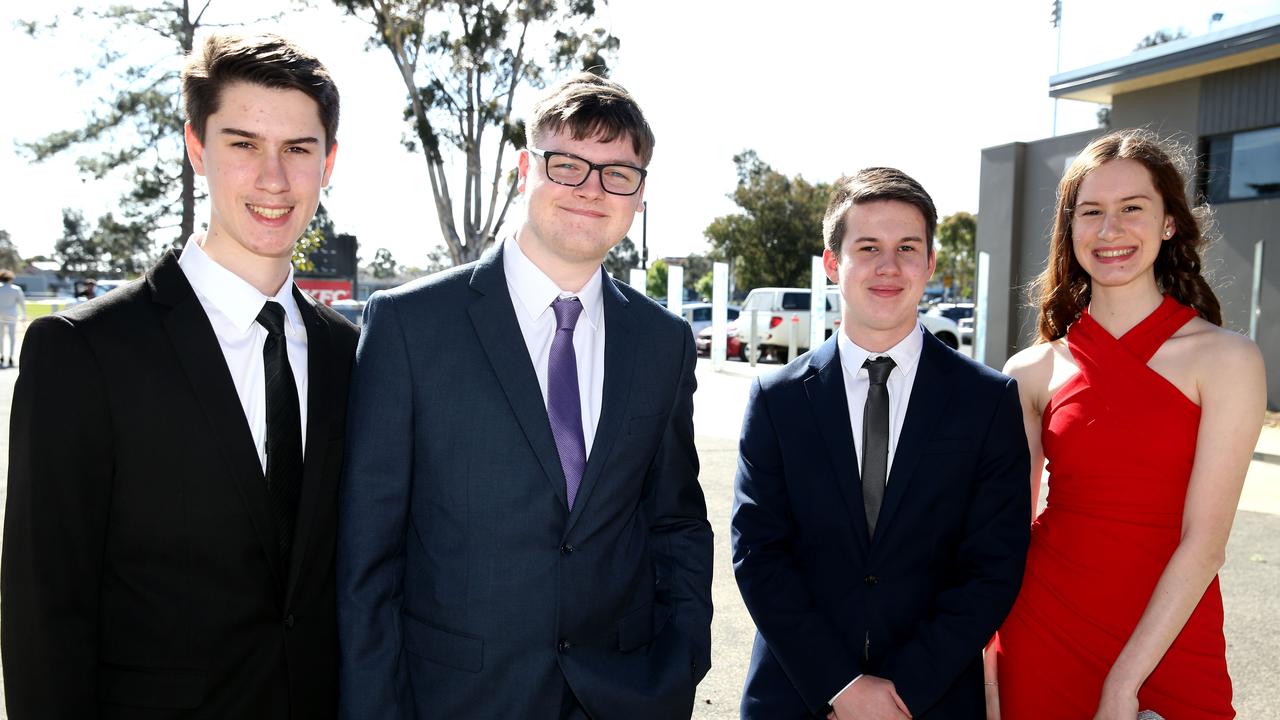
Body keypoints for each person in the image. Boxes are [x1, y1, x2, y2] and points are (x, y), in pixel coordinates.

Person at [1, 33, 358, 719]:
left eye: (298, 149)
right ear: (197, 148)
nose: (273, 179)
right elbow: (45, 617)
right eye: (243, 144)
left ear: (328, 161)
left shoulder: (351, 356)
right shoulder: (83, 354)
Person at [337, 72, 713, 720]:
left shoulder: (663, 342)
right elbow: (367, 557)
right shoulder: (410, 326)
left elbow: (674, 524)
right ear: (524, 169)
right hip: (458, 700)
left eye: (617, 173)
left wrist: (676, 668)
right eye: (568, 165)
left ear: (639, 194)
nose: (591, 190)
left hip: (622, 698)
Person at [732, 167, 1031, 719]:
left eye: (907, 247)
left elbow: (994, 564)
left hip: (930, 700)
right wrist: (842, 687)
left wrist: (903, 692)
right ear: (831, 263)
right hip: (798, 695)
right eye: (867, 246)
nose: (888, 266)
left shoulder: (986, 401)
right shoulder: (776, 401)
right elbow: (759, 555)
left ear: (931, 263)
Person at [993, 130, 1265, 719]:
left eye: (1132, 209)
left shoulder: (1227, 360)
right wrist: (989, 658)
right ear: (1070, 229)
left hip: (1171, 644)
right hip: (1042, 632)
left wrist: (1123, 685)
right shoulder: (1031, 370)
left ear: (1169, 223)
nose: (1110, 230)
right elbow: (1005, 536)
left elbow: (1206, 543)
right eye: (1091, 212)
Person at [0, 268, 26, 366]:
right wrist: (23, 314)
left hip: (0, 315)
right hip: (12, 315)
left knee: (0, 337)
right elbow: (22, 303)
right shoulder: (16, 289)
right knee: (12, 337)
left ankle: (2, 356)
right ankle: (11, 356)